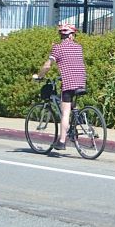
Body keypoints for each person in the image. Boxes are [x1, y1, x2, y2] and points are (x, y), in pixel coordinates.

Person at [36, 22, 87, 153]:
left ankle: (62, 141)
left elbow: (47, 66)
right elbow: (73, 64)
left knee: (65, 113)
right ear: (71, 36)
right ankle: (77, 124)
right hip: (81, 81)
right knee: (72, 108)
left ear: (62, 35)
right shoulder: (78, 47)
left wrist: (39, 75)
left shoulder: (57, 48)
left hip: (69, 83)